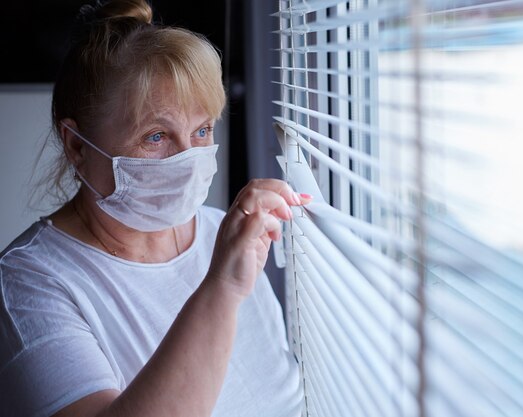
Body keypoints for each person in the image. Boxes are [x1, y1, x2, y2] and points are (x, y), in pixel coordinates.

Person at [0, 1, 309, 416]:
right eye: (156, 136)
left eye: (201, 130)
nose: (188, 158)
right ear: (76, 145)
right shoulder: (29, 283)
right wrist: (222, 287)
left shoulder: (225, 234)